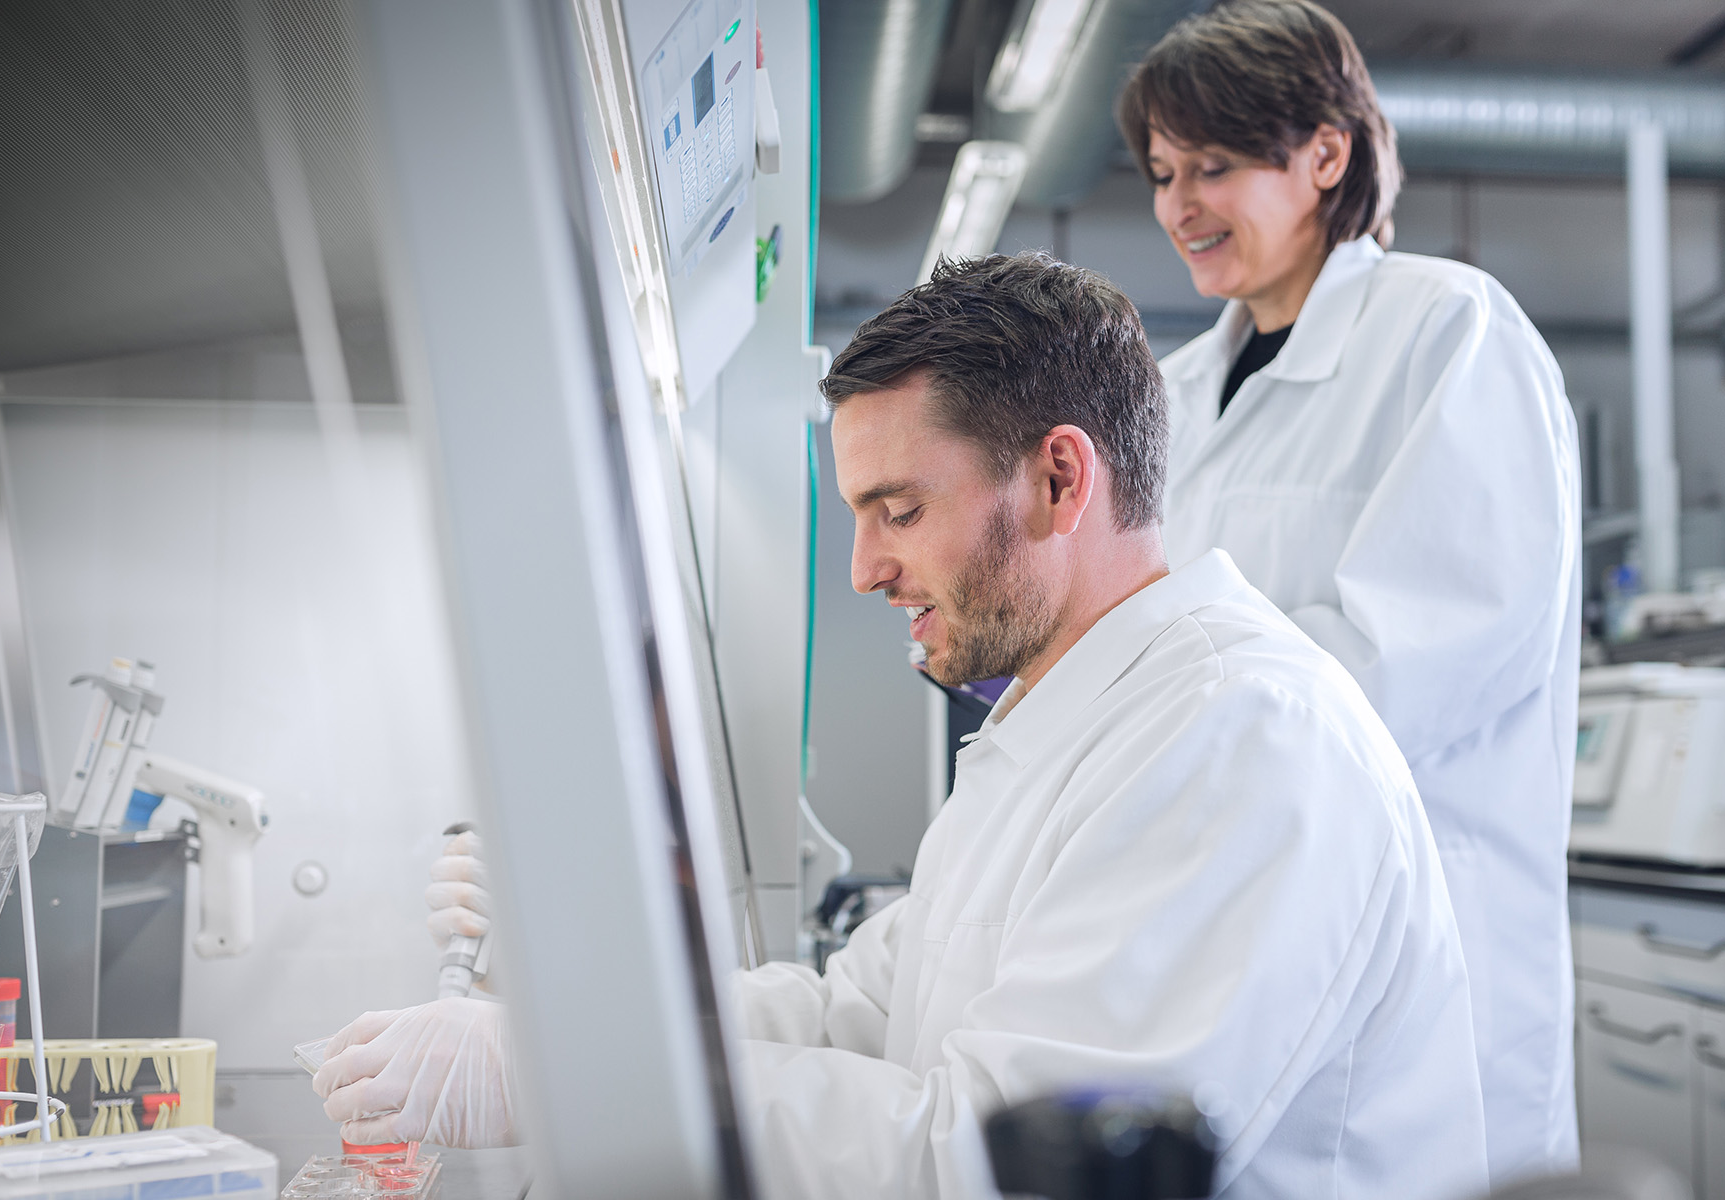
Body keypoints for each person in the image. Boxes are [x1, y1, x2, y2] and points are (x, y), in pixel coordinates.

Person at [315, 254, 1488, 1198]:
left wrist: (574, 1075)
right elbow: (860, 1017)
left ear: (1059, 482)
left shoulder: (1240, 739)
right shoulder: (1066, 726)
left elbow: (992, 1166)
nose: (868, 570)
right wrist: (572, 1007)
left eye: (901, 510)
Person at [1116, 2, 1582, 1183]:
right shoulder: (1168, 396)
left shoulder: (1448, 333)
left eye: (1213, 166)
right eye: (1163, 172)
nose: (1177, 206)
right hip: (1229, 936)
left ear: (1325, 154)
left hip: (1411, 937)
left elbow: (1405, 662)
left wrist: (1152, 762)